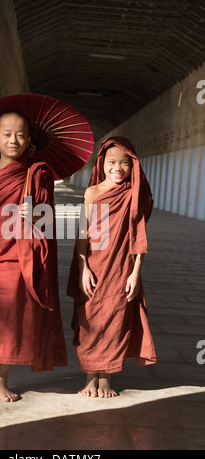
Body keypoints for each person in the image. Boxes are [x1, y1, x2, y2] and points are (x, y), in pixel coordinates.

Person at [0, 110, 67, 402]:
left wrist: (36, 213)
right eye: (8, 134)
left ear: (29, 141)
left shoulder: (38, 174)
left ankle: (2, 379)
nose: (14, 140)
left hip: (24, 257)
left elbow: (50, 219)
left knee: (17, 318)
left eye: (21, 134)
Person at [67, 136, 157, 398]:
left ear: (133, 166)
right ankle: (89, 376)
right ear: (102, 163)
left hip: (121, 266)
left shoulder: (134, 193)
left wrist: (135, 273)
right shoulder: (92, 192)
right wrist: (83, 266)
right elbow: (83, 233)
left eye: (124, 163)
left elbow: (138, 236)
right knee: (90, 317)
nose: (117, 168)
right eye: (111, 162)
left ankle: (105, 377)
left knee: (116, 318)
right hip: (94, 263)